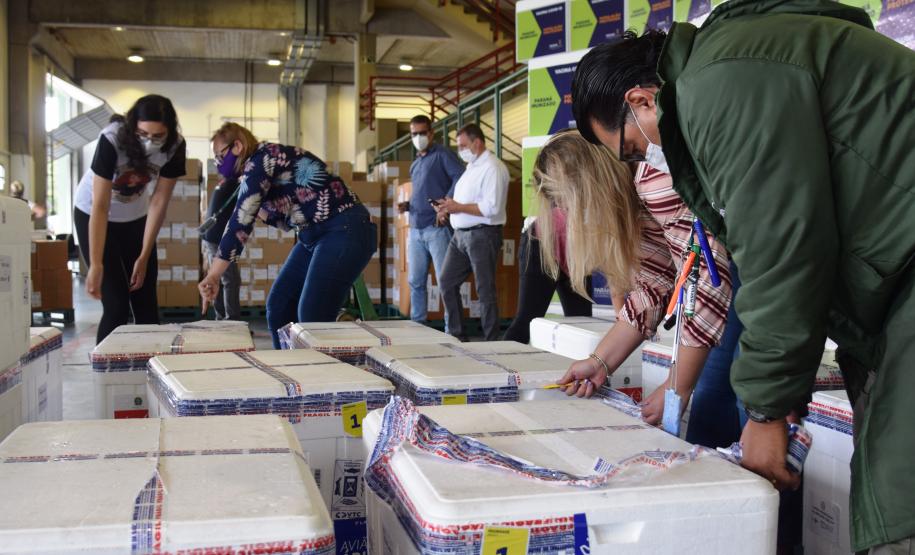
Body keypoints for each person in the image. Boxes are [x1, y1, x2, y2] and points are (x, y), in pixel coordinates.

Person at [570, 4, 915, 551]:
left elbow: (782, 248)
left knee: (899, 502)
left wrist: (766, 409)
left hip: (901, 276)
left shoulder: (718, 88)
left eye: (633, 149)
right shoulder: (725, 69)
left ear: (640, 100)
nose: (643, 162)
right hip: (892, 282)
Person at [536, 131, 734, 437]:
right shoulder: (632, 201)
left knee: (734, 400)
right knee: (713, 404)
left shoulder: (654, 180)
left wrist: (676, 387)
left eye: (570, 204)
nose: (576, 217)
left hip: (754, 271)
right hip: (733, 278)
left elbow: (706, 281)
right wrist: (600, 362)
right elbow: (653, 286)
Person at [198, 123, 377, 349]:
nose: (218, 163)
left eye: (220, 156)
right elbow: (284, 220)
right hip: (314, 234)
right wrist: (261, 209)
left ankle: (318, 378)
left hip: (345, 227)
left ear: (237, 146)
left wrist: (213, 275)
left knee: (313, 312)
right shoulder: (257, 171)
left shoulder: (261, 160)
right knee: (280, 305)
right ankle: (290, 370)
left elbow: (239, 224)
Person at [73, 99, 186, 343]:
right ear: (133, 125)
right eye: (143, 133)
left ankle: (150, 375)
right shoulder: (112, 139)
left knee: (146, 304)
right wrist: (95, 264)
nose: (149, 141)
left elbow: (158, 202)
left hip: (136, 217)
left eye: (158, 136)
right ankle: (105, 376)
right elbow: (100, 206)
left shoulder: (175, 146)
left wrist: (144, 256)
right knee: (116, 305)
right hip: (92, 213)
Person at [434, 123, 509, 341]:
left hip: (482, 234)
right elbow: (465, 201)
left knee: (484, 289)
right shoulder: (471, 168)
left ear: (477, 142)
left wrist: (457, 207)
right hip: (460, 235)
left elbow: (491, 207)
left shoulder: (493, 168)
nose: (461, 151)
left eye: (463, 145)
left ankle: (490, 340)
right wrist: (447, 207)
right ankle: (457, 334)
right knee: (446, 281)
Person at [398, 115, 464, 327]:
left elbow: (459, 176)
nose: (418, 137)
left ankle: (450, 329)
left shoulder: (442, 155)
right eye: (414, 133)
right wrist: (408, 205)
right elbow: (423, 191)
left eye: (422, 133)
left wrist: (446, 203)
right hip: (416, 229)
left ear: (431, 133)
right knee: (415, 281)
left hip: (437, 229)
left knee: (446, 281)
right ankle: (418, 324)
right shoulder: (416, 164)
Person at [501, 209, 594, 344]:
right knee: (526, 321)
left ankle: (582, 364)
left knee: (582, 323)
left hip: (577, 247)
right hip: (540, 240)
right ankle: (497, 362)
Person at [201, 174, 241, 320]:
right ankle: (232, 321)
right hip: (218, 237)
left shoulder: (227, 181)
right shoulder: (238, 185)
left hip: (211, 235)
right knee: (231, 279)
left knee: (219, 278)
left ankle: (220, 319)